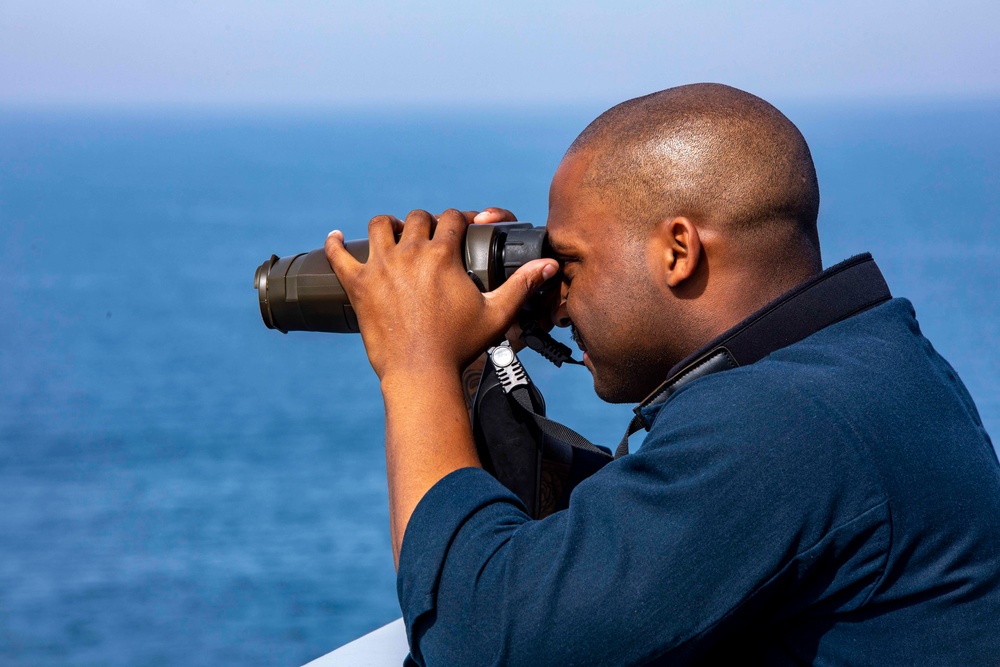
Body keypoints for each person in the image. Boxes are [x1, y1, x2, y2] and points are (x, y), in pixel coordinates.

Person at [323, 84, 1000, 665]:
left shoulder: (783, 423)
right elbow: (615, 548)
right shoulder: (870, 365)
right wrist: (480, 363)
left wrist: (417, 362)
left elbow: (480, 641)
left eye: (572, 263)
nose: (554, 298)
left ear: (678, 250)